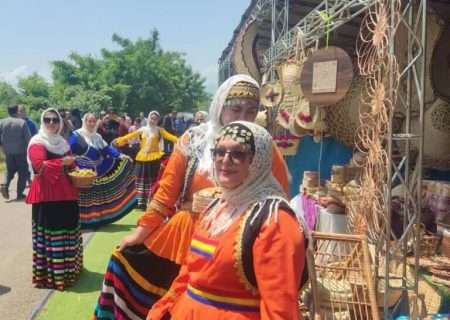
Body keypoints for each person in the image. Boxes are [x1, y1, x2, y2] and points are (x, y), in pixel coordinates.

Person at [93, 74, 290, 320]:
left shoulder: (263, 145)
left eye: (251, 111)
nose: (243, 118)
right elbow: (166, 193)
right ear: (220, 107)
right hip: (185, 233)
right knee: (145, 278)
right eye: (236, 109)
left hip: (237, 241)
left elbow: (277, 199)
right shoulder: (194, 139)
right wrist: (141, 232)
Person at [149, 121, 305, 320]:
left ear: (258, 160)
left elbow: (280, 309)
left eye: (238, 154)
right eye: (219, 152)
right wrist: (164, 308)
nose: (225, 160)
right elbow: (188, 274)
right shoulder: (215, 208)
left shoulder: (275, 220)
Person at [26, 108, 83, 290]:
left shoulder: (63, 143)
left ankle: (70, 271)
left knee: (68, 230)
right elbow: (38, 168)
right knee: (53, 232)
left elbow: (72, 165)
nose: (51, 123)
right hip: (48, 196)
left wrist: (74, 166)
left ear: (60, 123)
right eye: (47, 120)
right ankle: (53, 277)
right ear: (42, 121)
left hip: (67, 195)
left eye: (55, 120)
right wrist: (62, 163)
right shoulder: (37, 142)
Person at [68, 113, 137, 228]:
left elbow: (107, 149)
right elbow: (69, 151)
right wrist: (75, 165)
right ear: (84, 121)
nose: (91, 123)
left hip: (98, 170)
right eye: (89, 121)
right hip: (83, 173)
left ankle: (97, 220)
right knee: (84, 199)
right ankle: (83, 222)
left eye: (93, 121)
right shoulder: (76, 136)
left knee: (96, 198)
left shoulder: (97, 137)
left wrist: (121, 156)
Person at [113, 111, 178, 209]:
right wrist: (118, 141)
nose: (153, 120)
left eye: (155, 119)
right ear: (148, 118)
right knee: (140, 180)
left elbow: (172, 137)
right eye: (151, 118)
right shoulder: (143, 129)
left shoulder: (160, 130)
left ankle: (151, 201)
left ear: (157, 120)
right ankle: (139, 202)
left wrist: (183, 140)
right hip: (142, 159)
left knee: (152, 181)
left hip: (154, 159)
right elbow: (130, 136)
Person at [0, 105, 31, 200]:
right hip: (21, 152)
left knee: (9, 170)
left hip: (7, 151)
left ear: (8, 111)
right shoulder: (22, 122)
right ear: (17, 111)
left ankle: (4, 184)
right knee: (23, 173)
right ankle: (19, 194)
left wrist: (2, 148)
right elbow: (28, 138)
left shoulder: (2, 122)